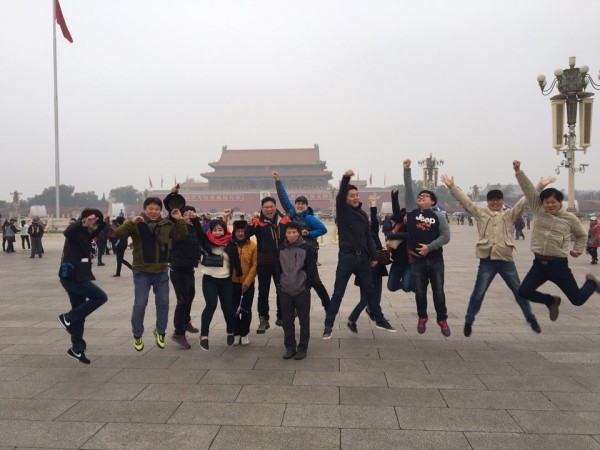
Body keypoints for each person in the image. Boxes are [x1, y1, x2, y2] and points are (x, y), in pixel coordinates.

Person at [441, 173, 555, 336]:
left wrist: (540, 185)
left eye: (498, 199)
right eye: (492, 200)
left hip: (506, 260)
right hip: (487, 260)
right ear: (488, 202)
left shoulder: (510, 214)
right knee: (478, 293)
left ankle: (531, 318)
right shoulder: (480, 213)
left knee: (519, 292)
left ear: (502, 201)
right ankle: (469, 320)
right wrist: (452, 187)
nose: (495, 202)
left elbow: (524, 201)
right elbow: (466, 202)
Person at [513, 160, 600, 319]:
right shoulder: (538, 210)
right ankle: (551, 301)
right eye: (547, 202)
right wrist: (518, 171)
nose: (550, 205)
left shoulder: (570, 218)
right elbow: (529, 190)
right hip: (539, 265)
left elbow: (581, 235)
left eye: (553, 202)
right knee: (524, 291)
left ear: (560, 202)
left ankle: (592, 283)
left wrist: (578, 249)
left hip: (559, 266)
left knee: (577, 300)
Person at [323, 169, 396, 339]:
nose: (355, 197)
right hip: (346, 257)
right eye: (352, 196)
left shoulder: (362, 214)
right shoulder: (343, 211)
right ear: (346, 199)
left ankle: (380, 320)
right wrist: (346, 178)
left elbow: (368, 237)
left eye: (357, 195)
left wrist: (374, 257)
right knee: (338, 292)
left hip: (363, 258)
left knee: (371, 290)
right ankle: (328, 325)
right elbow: (340, 196)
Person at [114, 197, 187, 351]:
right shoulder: (137, 223)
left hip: (161, 272)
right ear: (145, 209)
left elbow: (181, 236)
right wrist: (130, 222)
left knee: (163, 303)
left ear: (161, 210)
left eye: (157, 209)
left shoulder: (166, 224)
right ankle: (137, 334)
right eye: (151, 209)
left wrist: (179, 219)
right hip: (142, 272)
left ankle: (160, 331)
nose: (154, 212)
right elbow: (118, 234)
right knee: (140, 304)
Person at [404, 159, 451, 336]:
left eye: (425, 196)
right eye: (419, 196)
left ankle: (442, 319)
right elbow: (409, 191)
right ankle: (422, 317)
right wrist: (407, 171)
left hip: (435, 260)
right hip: (418, 261)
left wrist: (429, 247)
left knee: (438, 292)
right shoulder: (412, 212)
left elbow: (446, 236)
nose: (420, 197)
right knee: (420, 293)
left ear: (432, 202)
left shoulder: (439, 216)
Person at [57, 209, 108, 364]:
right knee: (100, 297)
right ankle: (67, 317)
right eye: (92, 223)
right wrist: (84, 222)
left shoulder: (86, 234)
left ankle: (77, 348)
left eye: (95, 224)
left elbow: (98, 230)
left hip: (79, 276)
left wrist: (103, 221)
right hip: (72, 277)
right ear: (85, 220)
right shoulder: (75, 231)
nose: (94, 226)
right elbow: (67, 232)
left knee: (79, 314)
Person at [273, 171, 330, 311]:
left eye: (302, 204)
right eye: (297, 203)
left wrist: (309, 233)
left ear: (306, 206)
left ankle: (328, 305)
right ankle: (296, 309)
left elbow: (323, 229)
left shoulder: (309, 218)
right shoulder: (291, 213)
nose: (299, 206)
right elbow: (283, 198)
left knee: (314, 280)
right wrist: (278, 181)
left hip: (308, 252)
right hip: (292, 253)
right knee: (295, 282)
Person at [197, 211, 243, 351]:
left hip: (226, 280)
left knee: (227, 308)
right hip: (210, 279)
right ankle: (204, 336)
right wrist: (193, 219)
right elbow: (199, 232)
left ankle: (230, 332)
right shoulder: (206, 241)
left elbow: (235, 259)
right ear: (211, 231)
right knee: (211, 305)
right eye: (215, 230)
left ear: (225, 230)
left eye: (220, 229)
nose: (217, 232)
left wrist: (240, 274)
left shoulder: (230, 243)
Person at [245, 197, 291, 334]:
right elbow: (247, 235)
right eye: (266, 207)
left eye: (271, 206)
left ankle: (281, 317)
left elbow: (294, 233)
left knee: (281, 290)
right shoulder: (257, 222)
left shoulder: (284, 220)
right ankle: (263, 319)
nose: (269, 209)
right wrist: (249, 225)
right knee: (263, 291)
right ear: (262, 208)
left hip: (281, 262)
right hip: (264, 263)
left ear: (275, 207)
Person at [347, 195, 390, 333]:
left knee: (377, 296)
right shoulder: (354, 236)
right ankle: (352, 320)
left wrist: (373, 205)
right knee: (365, 299)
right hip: (365, 269)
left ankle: (373, 311)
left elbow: (375, 222)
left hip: (378, 267)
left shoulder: (372, 231)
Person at [278, 222, 317, 360]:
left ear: (299, 233)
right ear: (285, 234)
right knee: (287, 321)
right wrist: (279, 284)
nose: (291, 235)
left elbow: (311, 269)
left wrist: (307, 285)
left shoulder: (307, 248)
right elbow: (277, 268)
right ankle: (290, 348)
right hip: (285, 290)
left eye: (294, 232)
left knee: (304, 321)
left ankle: (302, 348)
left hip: (301, 290)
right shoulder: (280, 248)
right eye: (288, 232)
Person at [168, 201, 204, 349]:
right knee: (182, 301)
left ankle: (186, 321)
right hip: (178, 269)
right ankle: (178, 332)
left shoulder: (194, 228)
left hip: (189, 268)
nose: (189, 217)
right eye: (186, 214)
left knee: (190, 296)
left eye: (191, 214)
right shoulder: (177, 228)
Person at [231, 219, 258, 346]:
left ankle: (244, 332)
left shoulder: (253, 245)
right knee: (233, 309)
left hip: (248, 283)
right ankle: (236, 332)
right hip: (232, 283)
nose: (240, 233)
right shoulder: (230, 245)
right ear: (234, 232)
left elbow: (255, 265)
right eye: (238, 231)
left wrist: (247, 282)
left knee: (246, 310)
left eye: (242, 231)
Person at [386, 189, 413, 293]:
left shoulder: (414, 227)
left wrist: (393, 235)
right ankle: (413, 282)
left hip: (409, 262)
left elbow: (408, 235)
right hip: (397, 262)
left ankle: (416, 283)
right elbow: (396, 212)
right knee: (391, 287)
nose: (406, 217)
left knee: (407, 287)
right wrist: (394, 197)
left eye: (408, 216)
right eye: (404, 215)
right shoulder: (398, 226)